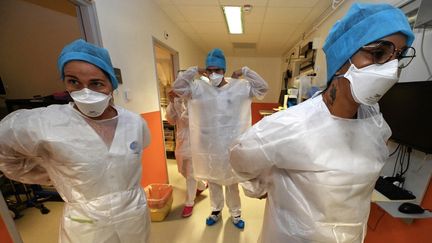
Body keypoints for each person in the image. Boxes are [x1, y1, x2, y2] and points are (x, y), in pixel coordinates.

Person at [229, 3, 415, 243]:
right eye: (379, 53)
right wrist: (263, 186)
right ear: (342, 55)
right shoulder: (291, 125)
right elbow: (240, 157)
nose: (390, 69)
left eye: (397, 56)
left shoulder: (374, 122)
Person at [0, 39, 152, 243]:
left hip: (133, 216)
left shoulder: (134, 122)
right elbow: (4, 150)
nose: (85, 92)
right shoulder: (45, 123)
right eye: (73, 82)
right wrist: (49, 174)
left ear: (111, 84)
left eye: (96, 83)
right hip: (86, 224)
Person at [172, 48, 268, 229]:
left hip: (231, 146)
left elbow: (262, 87)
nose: (213, 74)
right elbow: (178, 88)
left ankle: (236, 214)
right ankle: (216, 210)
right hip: (209, 146)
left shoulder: (238, 87)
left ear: (224, 70)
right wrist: (195, 70)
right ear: (206, 71)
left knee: (232, 182)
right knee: (214, 180)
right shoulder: (199, 88)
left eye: (218, 70)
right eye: (210, 70)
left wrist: (244, 72)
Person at [165, 87, 207, 218]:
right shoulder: (178, 101)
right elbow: (171, 120)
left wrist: (178, 104)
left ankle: (189, 203)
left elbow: (188, 119)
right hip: (181, 144)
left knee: (191, 174)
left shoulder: (196, 101)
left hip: (195, 143)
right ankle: (202, 185)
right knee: (183, 170)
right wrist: (172, 102)